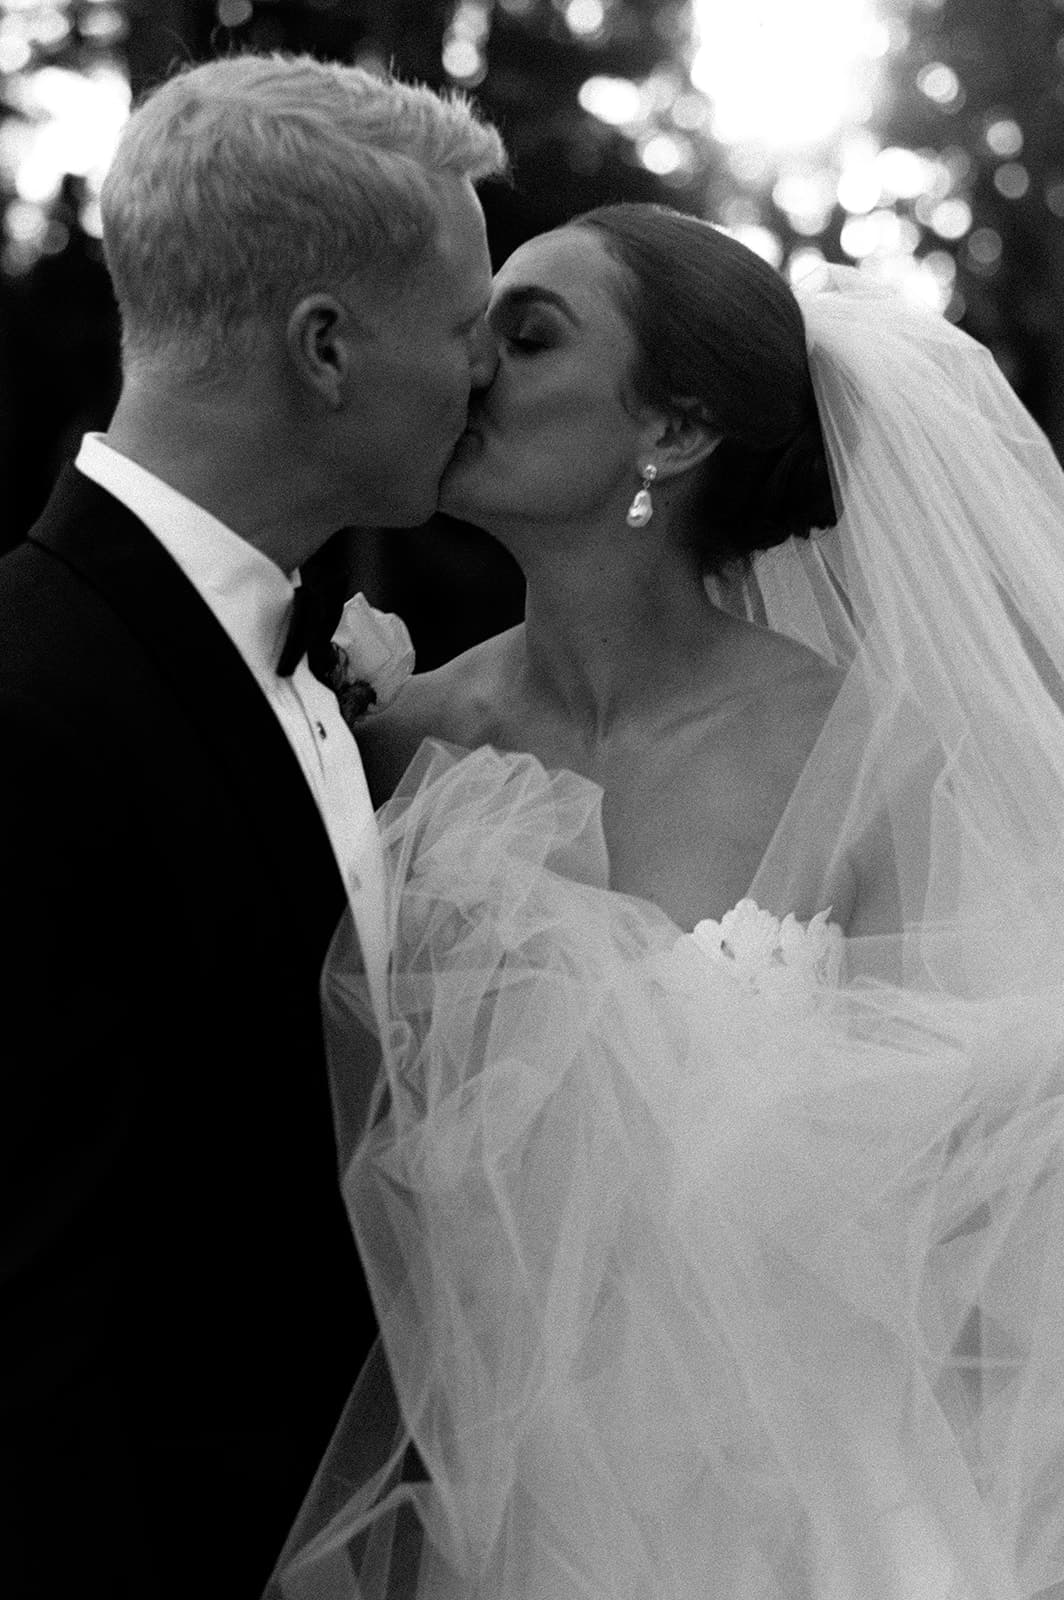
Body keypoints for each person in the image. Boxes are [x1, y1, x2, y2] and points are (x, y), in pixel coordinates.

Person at [277, 205, 1064, 1599]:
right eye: (477, 329)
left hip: (815, 1528)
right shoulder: (396, 742)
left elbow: (986, 1244)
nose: (471, 369)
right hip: (495, 1533)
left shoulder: (865, 756)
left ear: (674, 433)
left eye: (528, 336)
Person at [0, 52, 505, 1600]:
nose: (484, 375)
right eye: (467, 330)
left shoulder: (297, 668)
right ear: (328, 348)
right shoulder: (29, 707)